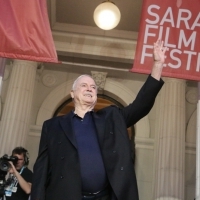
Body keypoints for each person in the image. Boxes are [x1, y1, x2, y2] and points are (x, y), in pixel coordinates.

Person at [31, 39, 167, 200]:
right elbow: (41, 170)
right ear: (72, 94)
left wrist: (157, 65)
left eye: (93, 87)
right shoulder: (52, 126)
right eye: (84, 85)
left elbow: (141, 105)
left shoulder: (112, 117)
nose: (89, 88)